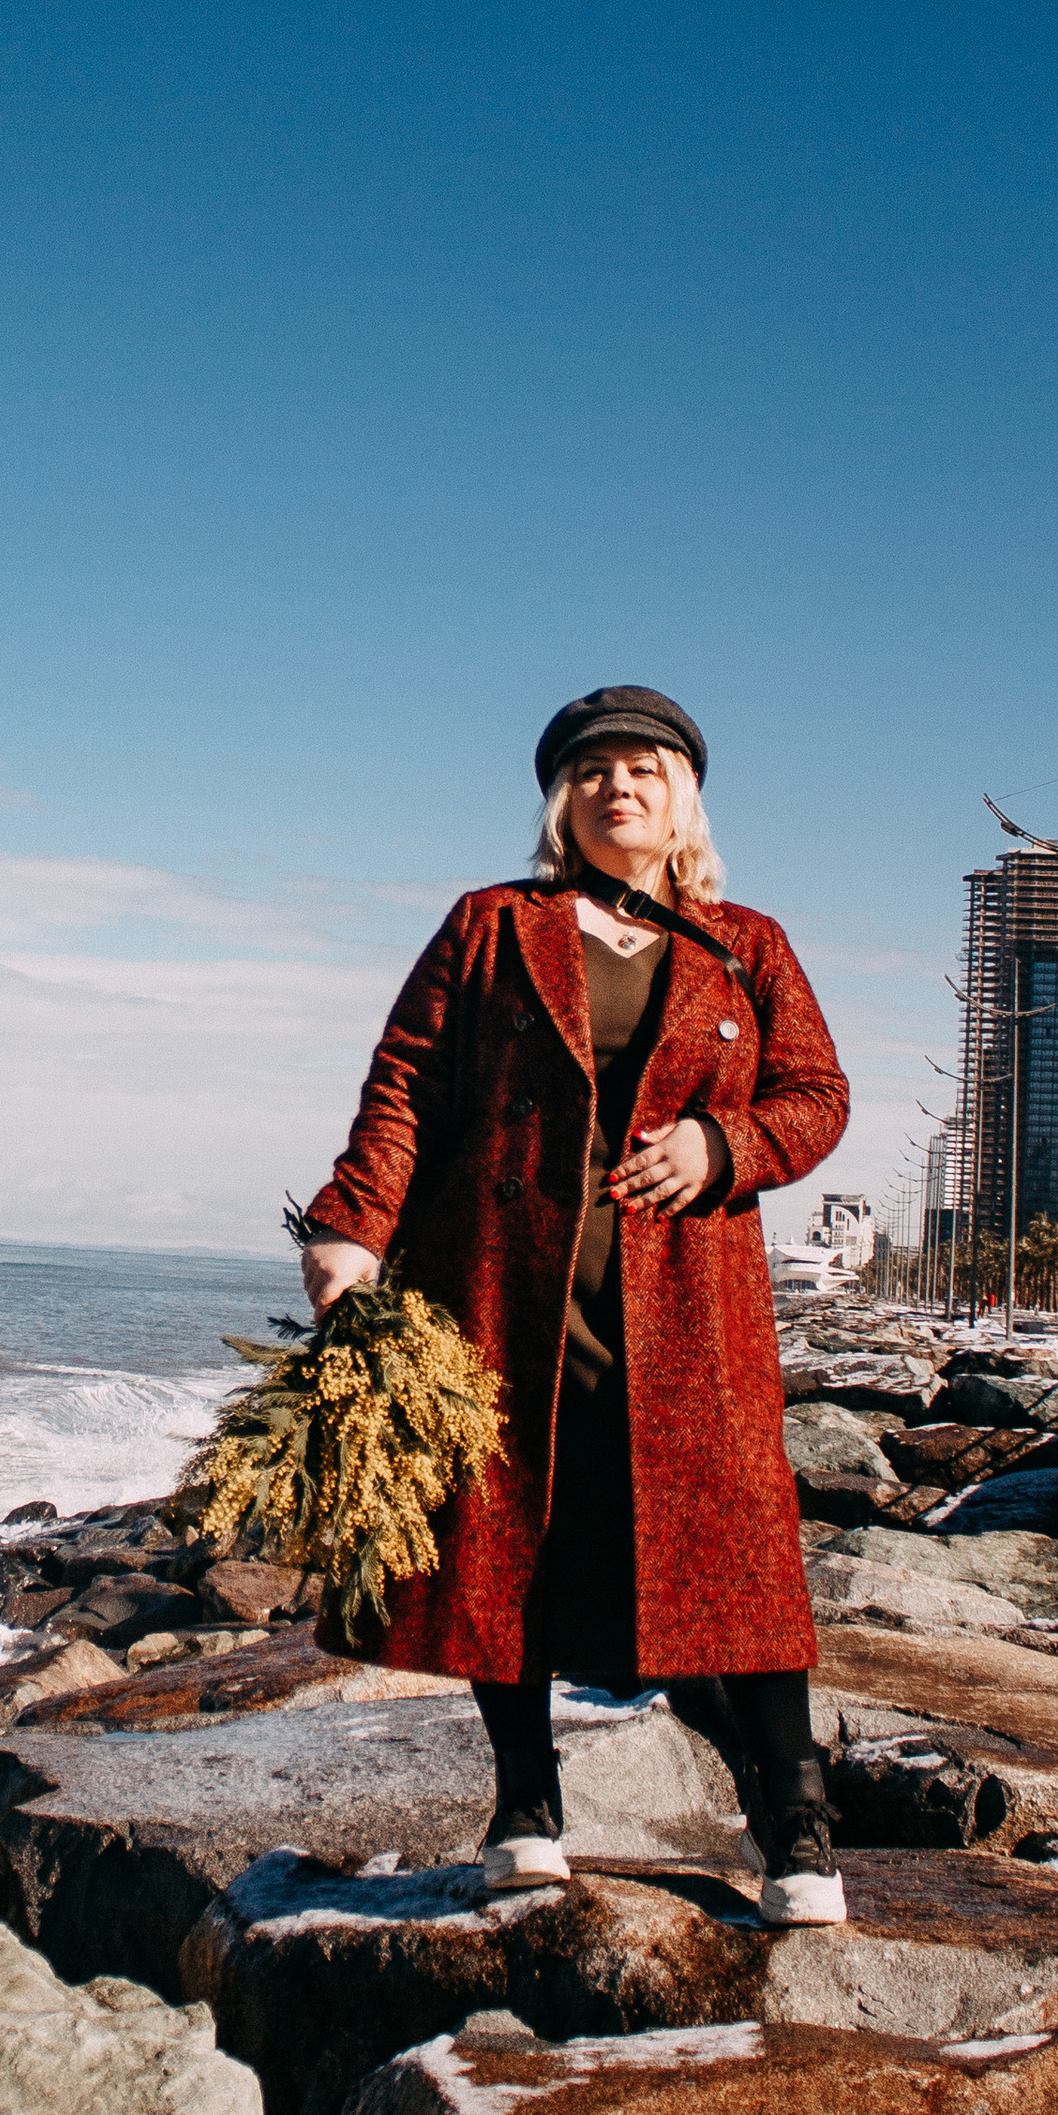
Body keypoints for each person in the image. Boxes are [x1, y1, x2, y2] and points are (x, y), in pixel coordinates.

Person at [297, 684, 852, 1927]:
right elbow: (405, 1087)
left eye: (644, 769)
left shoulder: (742, 942)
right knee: (510, 1535)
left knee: (737, 1552)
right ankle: (524, 1805)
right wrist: (348, 1230)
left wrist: (723, 1146)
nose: (618, 789)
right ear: (562, 800)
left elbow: (817, 1096)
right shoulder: (491, 925)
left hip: (687, 1303)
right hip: (501, 1285)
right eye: (592, 771)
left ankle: (796, 1828)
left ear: (682, 798)